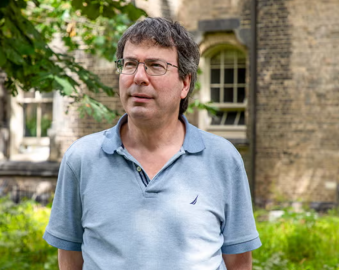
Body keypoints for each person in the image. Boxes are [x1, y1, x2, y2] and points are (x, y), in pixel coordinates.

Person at [43, 17, 261, 270]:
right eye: (130, 64)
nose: (139, 77)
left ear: (185, 83)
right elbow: (69, 257)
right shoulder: (82, 158)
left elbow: (238, 261)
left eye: (155, 65)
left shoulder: (223, 158)